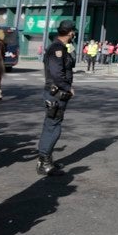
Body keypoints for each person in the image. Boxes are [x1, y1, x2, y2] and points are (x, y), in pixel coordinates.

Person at [36, 19, 76, 175]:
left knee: (52, 125)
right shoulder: (56, 49)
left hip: (58, 94)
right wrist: (68, 88)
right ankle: (44, 162)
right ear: (71, 32)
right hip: (56, 94)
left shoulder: (63, 47)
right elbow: (57, 74)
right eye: (73, 32)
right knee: (53, 128)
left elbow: (71, 62)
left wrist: (70, 47)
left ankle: (46, 159)